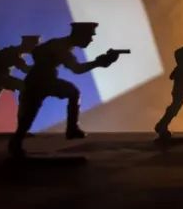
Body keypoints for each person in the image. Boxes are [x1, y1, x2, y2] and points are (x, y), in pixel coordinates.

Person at [8, 22, 124, 158]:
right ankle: (71, 129)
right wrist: (98, 62)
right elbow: (77, 69)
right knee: (30, 114)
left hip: (44, 79)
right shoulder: (61, 47)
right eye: (89, 36)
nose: (91, 40)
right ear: (80, 35)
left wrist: (99, 62)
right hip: (40, 81)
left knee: (69, 94)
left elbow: (38, 52)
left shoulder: (61, 45)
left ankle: (71, 129)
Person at [0, 35, 40, 135]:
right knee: (23, 88)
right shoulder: (14, 54)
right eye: (34, 45)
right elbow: (25, 69)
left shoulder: (14, 53)